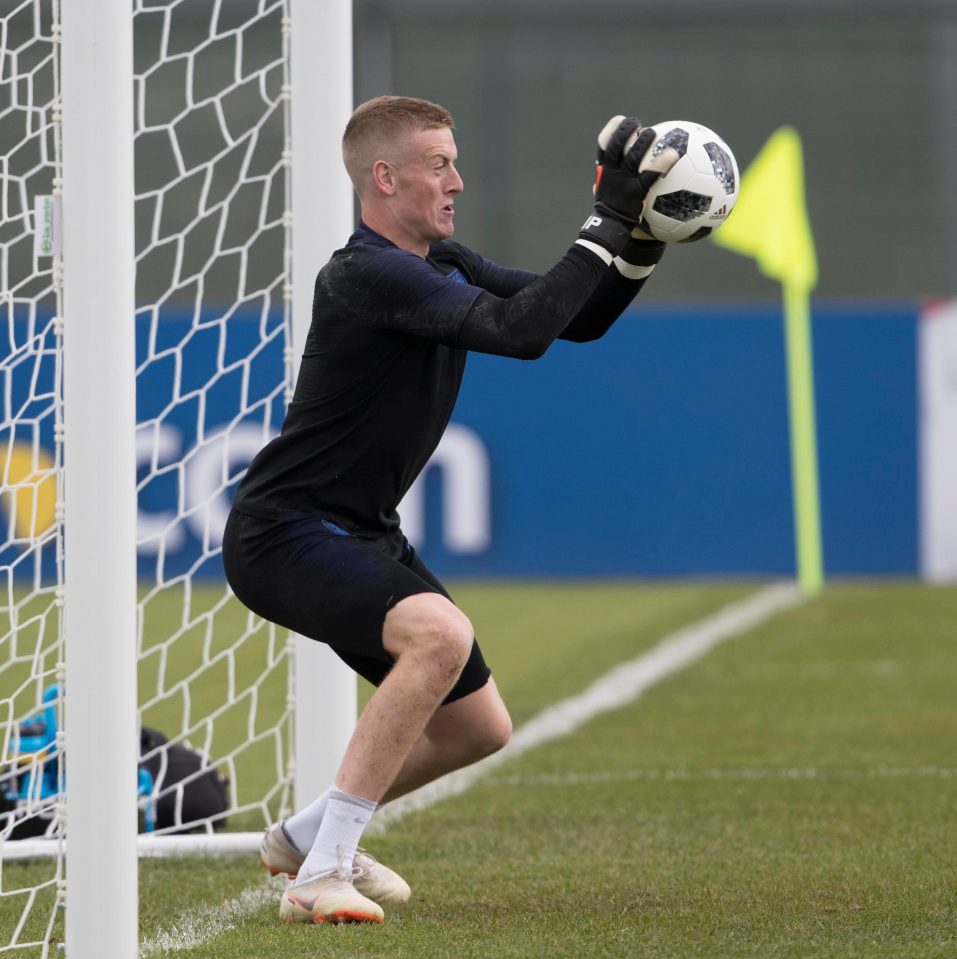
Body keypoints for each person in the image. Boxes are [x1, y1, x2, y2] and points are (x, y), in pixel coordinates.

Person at [221, 95, 677, 924]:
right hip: (285, 531)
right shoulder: (363, 271)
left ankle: (301, 836)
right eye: (440, 164)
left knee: (478, 727)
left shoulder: (441, 262)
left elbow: (569, 321)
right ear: (385, 177)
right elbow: (519, 332)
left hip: (359, 530)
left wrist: (641, 237)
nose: (457, 180)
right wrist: (603, 215)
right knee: (437, 635)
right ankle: (322, 872)